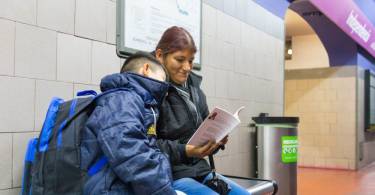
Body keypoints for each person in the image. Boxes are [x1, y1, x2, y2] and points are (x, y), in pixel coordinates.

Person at [154, 26, 250, 195]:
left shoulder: (195, 90)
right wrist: (186, 150)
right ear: (160, 56)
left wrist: (217, 140)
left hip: (199, 169)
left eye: (190, 61)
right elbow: (148, 144)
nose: (187, 67)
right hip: (172, 173)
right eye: (180, 59)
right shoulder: (152, 91)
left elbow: (204, 127)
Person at [81, 52, 177, 195]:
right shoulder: (122, 99)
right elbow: (132, 154)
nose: (166, 92)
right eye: (163, 79)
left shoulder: (134, 102)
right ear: (146, 69)